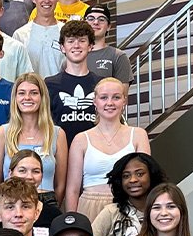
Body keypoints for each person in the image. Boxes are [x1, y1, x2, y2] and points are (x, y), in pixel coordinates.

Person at [64, 78, 151, 219]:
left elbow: (146, 181)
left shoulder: (138, 135)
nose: (109, 103)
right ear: (95, 102)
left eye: (116, 97)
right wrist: (71, 221)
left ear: (124, 101)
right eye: (104, 97)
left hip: (129, 206)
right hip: (89, 208)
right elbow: (72, 190)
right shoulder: (81, 139)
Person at [0, 72, 68, 205]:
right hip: (12, 206)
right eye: (21, 93)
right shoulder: (2, 133)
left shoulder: (57, 134)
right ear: (15, 98)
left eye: (33, 93)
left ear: (42, 97)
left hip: (47, 204)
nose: (27, 97)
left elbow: (60, 185)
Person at [92, 153, 166, 236]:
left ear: (152, 176)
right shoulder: (111, 212)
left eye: (140, 174)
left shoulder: (164, 212)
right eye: (126, 176)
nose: (133, 180)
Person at [0, 150, 63, 236]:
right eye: (22, 170)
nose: (29, 176)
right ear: (10, 173)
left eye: (36, 171)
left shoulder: (53, 214)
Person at [45, 20, 102, 146]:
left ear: (90, 46)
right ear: (62, 47)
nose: (76, 46)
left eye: (82, 41)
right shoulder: (49, 85)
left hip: (94, 155)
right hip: (61, 155)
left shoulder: (101, 85)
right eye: (70, 41)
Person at [12, 0, 65, 79]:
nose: (46, 0)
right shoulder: (20, 35)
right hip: (31, 93)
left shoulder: (65, 33)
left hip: (59, 93)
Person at [85, 4, 133, 84]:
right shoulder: (74, 55)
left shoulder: (118, 56)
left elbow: (122, 94)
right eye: (91, 19)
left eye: (101, 19)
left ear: (108, 26)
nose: (96, 22)